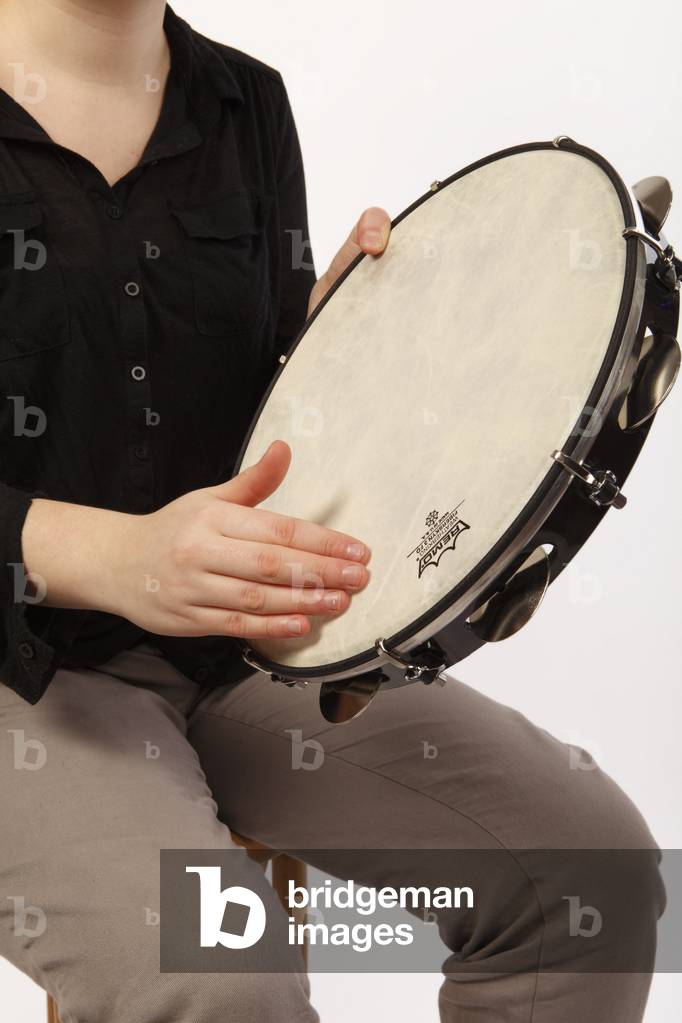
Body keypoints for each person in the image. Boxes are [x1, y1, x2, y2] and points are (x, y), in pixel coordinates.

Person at [0, 2, 665, 1021]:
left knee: (584, 874)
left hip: (236, 641)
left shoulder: (242, 102)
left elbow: (259, 399)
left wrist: (355, 339)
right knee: (219, 972)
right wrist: (121, 556)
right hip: (25, 680)